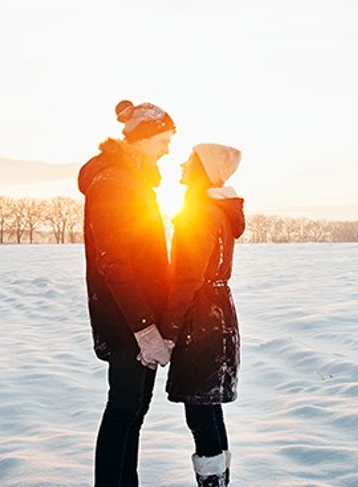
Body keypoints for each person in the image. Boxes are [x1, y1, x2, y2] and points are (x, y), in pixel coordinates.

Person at [78, 100, 177, 487]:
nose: (168, 150)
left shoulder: (132, 180)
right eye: (164, 140)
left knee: (135, 411)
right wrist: (143, 328)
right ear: (143, 138)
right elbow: (114, 262)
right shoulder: (113, 182)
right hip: (126, 320)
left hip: (140, 316)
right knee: (122, 410)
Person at [160, 143, 245, 487]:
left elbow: (187, 279)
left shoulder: (200, 213)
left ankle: (212, 484)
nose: (182, 164)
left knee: (200, 409)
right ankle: (218, 483)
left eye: (190, 160)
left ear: (204, 169)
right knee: (210, 407)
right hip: (218, 313)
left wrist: (168, 331)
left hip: (201, 318)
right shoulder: (216, 210)